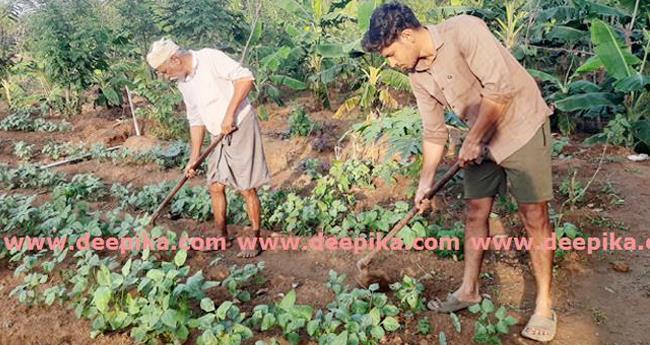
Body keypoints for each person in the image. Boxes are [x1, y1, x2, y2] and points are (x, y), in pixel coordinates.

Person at [361, 3, 556, 342]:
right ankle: (469, 290)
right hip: (479, 139)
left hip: (520, 126)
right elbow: (433, 132)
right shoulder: (417, 75)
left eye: (391, 55)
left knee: (533, 215)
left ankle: (543, 305)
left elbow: (501, 90)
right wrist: (424, 184)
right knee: (475, 212)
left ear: (407, 36)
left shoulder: (465, 30)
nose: (390, 63)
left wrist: (475, 138)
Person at [146, 38, 270, 258]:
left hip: (240, 124)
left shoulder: (209, 58)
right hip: (217, 132)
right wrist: (194, 157)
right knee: (215, 185)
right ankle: (222, 237)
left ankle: (256, 239)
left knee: (246, 187)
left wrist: (229, 114)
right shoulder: (184, 83)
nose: (166, 76)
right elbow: (195, 119)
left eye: (165, 71)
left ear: (174, 59)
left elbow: (245, 78)